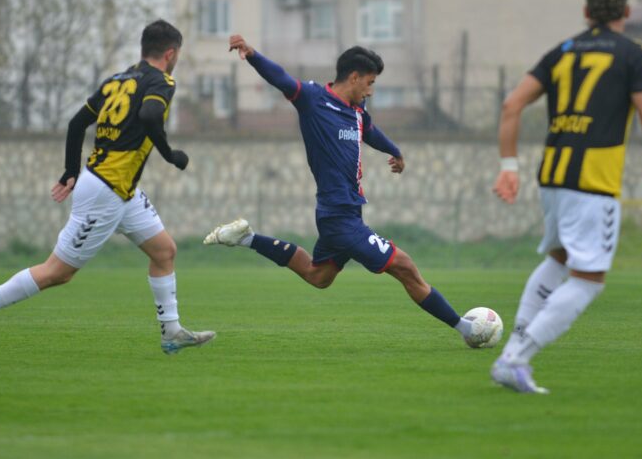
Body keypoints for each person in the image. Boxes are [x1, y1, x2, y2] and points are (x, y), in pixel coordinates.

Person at [0, 20, 214, 355]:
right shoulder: (161, 81)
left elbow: (77, 123)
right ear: (170, 53)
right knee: (57, 273)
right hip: (106, 191)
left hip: (120, 190)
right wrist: (171, 155)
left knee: (164, 251)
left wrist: (69, 171)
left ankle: (171, 332)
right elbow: (150, 116)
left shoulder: (116, 81)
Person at [202, 36, 478, 343]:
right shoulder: (313, 99)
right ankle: (467, 329)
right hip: (339, 216)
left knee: (317, 276)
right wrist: (252, 55)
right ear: (355, 77)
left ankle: (246, 237)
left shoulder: (357, 110)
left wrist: (394, 150)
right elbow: (281, 78)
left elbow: (369, 132)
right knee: (405, 266)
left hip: (346, 213)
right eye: (370, 83)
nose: (371, 90)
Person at [489, 0, 642, 394]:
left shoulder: (563, 52)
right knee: (588, 280)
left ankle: (512, 352)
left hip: (552, 176)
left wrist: (509, 164)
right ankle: (515, 358)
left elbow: (512, 104)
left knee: (559, 259)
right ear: (627, 13)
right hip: (592, 182)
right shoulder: (634, 55)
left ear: (586, 12)